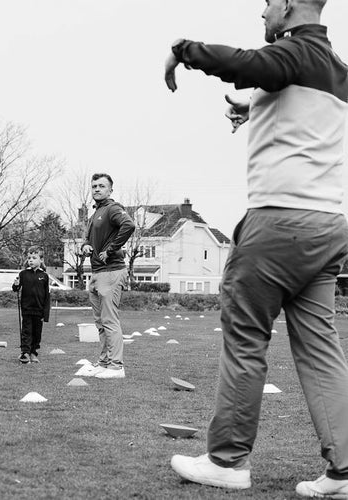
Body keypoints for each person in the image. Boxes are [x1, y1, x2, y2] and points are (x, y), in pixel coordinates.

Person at [165, 0, 348, 496]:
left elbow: (245, 64)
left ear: (288, 5)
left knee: (245, 340)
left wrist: (184, 50)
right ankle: (345, 470)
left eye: (267, 4)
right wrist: (253, 109)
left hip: (279, 223)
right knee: (320, 350)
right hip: (329, 227)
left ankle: (227, 461)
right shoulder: (336, 70)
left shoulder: (297, 51)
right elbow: (302, 115)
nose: (262, 13)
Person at [81, 173, 135, 379]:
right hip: (96, 272)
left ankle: (116, 366)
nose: (96, 189)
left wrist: (111, 249)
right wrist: (85, 246)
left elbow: (129, 225)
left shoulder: (112, 208)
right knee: (100, 322)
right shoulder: (95, 214)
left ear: (110, 190)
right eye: (94, 185)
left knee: (109, 320)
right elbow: (87, 240)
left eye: (101, 186)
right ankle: (103, 363)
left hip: (112, 271)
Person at [12, 246, 50, 364]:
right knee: (27, 331)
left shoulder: (44, 276)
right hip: (27, 309)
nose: (31, 260)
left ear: (41, 260)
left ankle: (33, 352)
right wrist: (16, 284)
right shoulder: (23, 274)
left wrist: (46, 313)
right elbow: (16, 289)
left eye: (34, 257)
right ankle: (25, 353)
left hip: (39, 310)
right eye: (29, 258)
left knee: (37, 333)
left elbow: (47, 296)